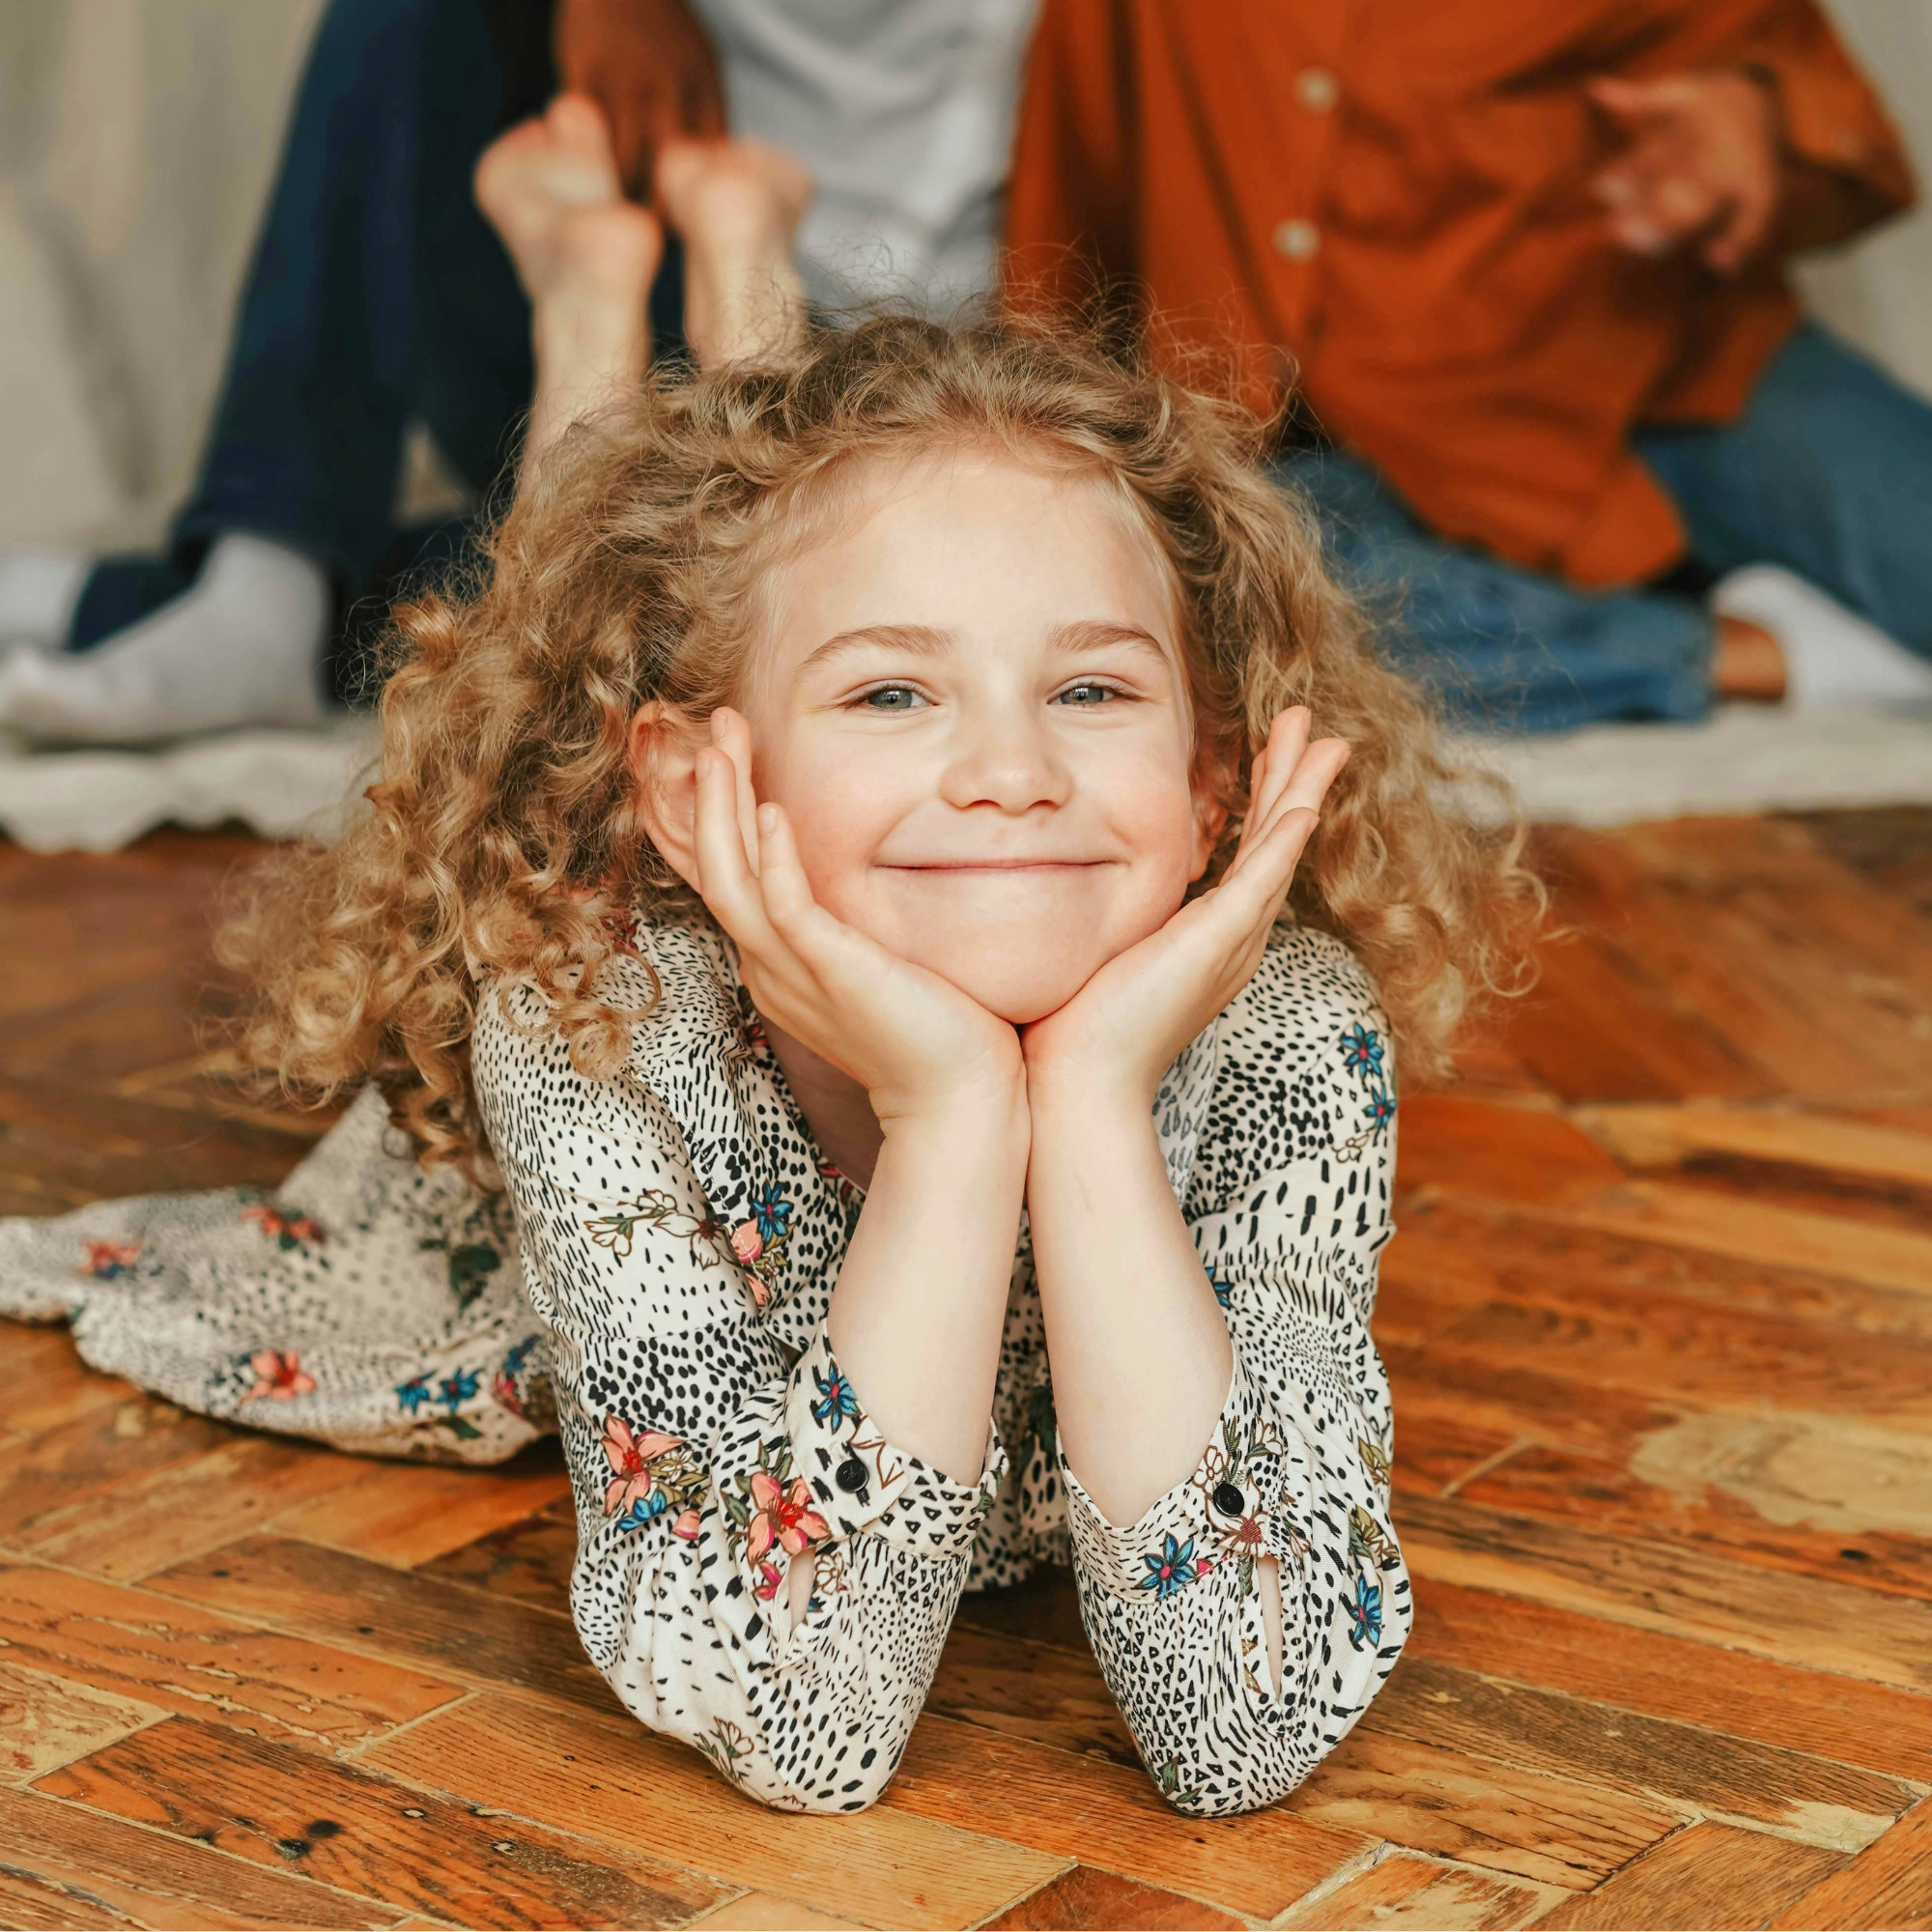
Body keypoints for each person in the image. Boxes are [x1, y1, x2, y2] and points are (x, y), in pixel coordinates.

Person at [0, 119, 1541, 1815]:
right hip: (494, 1173)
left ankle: (718, 267)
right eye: (898, 695)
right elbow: (808, 1725)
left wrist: (1087, 1105)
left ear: (1217, 780)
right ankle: (598, 294)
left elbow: (1243, 1732)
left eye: (1094, 691)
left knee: (786, 544)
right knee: (591, 614)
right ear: (703, 790)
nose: (1013, 772)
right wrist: (957, 1116)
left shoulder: (1286, 1035)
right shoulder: (593, 1020)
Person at [0, 0, 1036, 745]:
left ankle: (253, 592)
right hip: (634, 240)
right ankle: (267, 567)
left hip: (921, 362)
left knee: (590, 595)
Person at [1003, 0, 1932, 729]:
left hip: (1673, 364)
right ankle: (1727, 649)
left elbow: (1835, 135)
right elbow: (1075, 184)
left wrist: (1758, 125)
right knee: (1219, 609)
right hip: (1351, 436)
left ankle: (1602, 609)